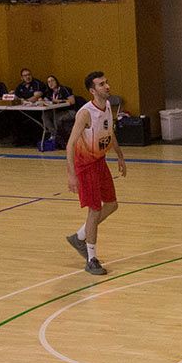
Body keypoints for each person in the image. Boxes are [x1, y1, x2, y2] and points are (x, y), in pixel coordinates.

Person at [65, 71, 127, 276]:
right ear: (93, 91)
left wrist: (119, 155)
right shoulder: (85, 113)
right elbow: (70, 144)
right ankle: (91, 259)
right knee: (93, 209)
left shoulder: (108, 106)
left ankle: (81, 235)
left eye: (106, 82)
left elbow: (109, 134)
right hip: (85, 165)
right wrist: (71, 175)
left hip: (99, 161)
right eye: (101, 84)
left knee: (112, 204)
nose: (107, 86)